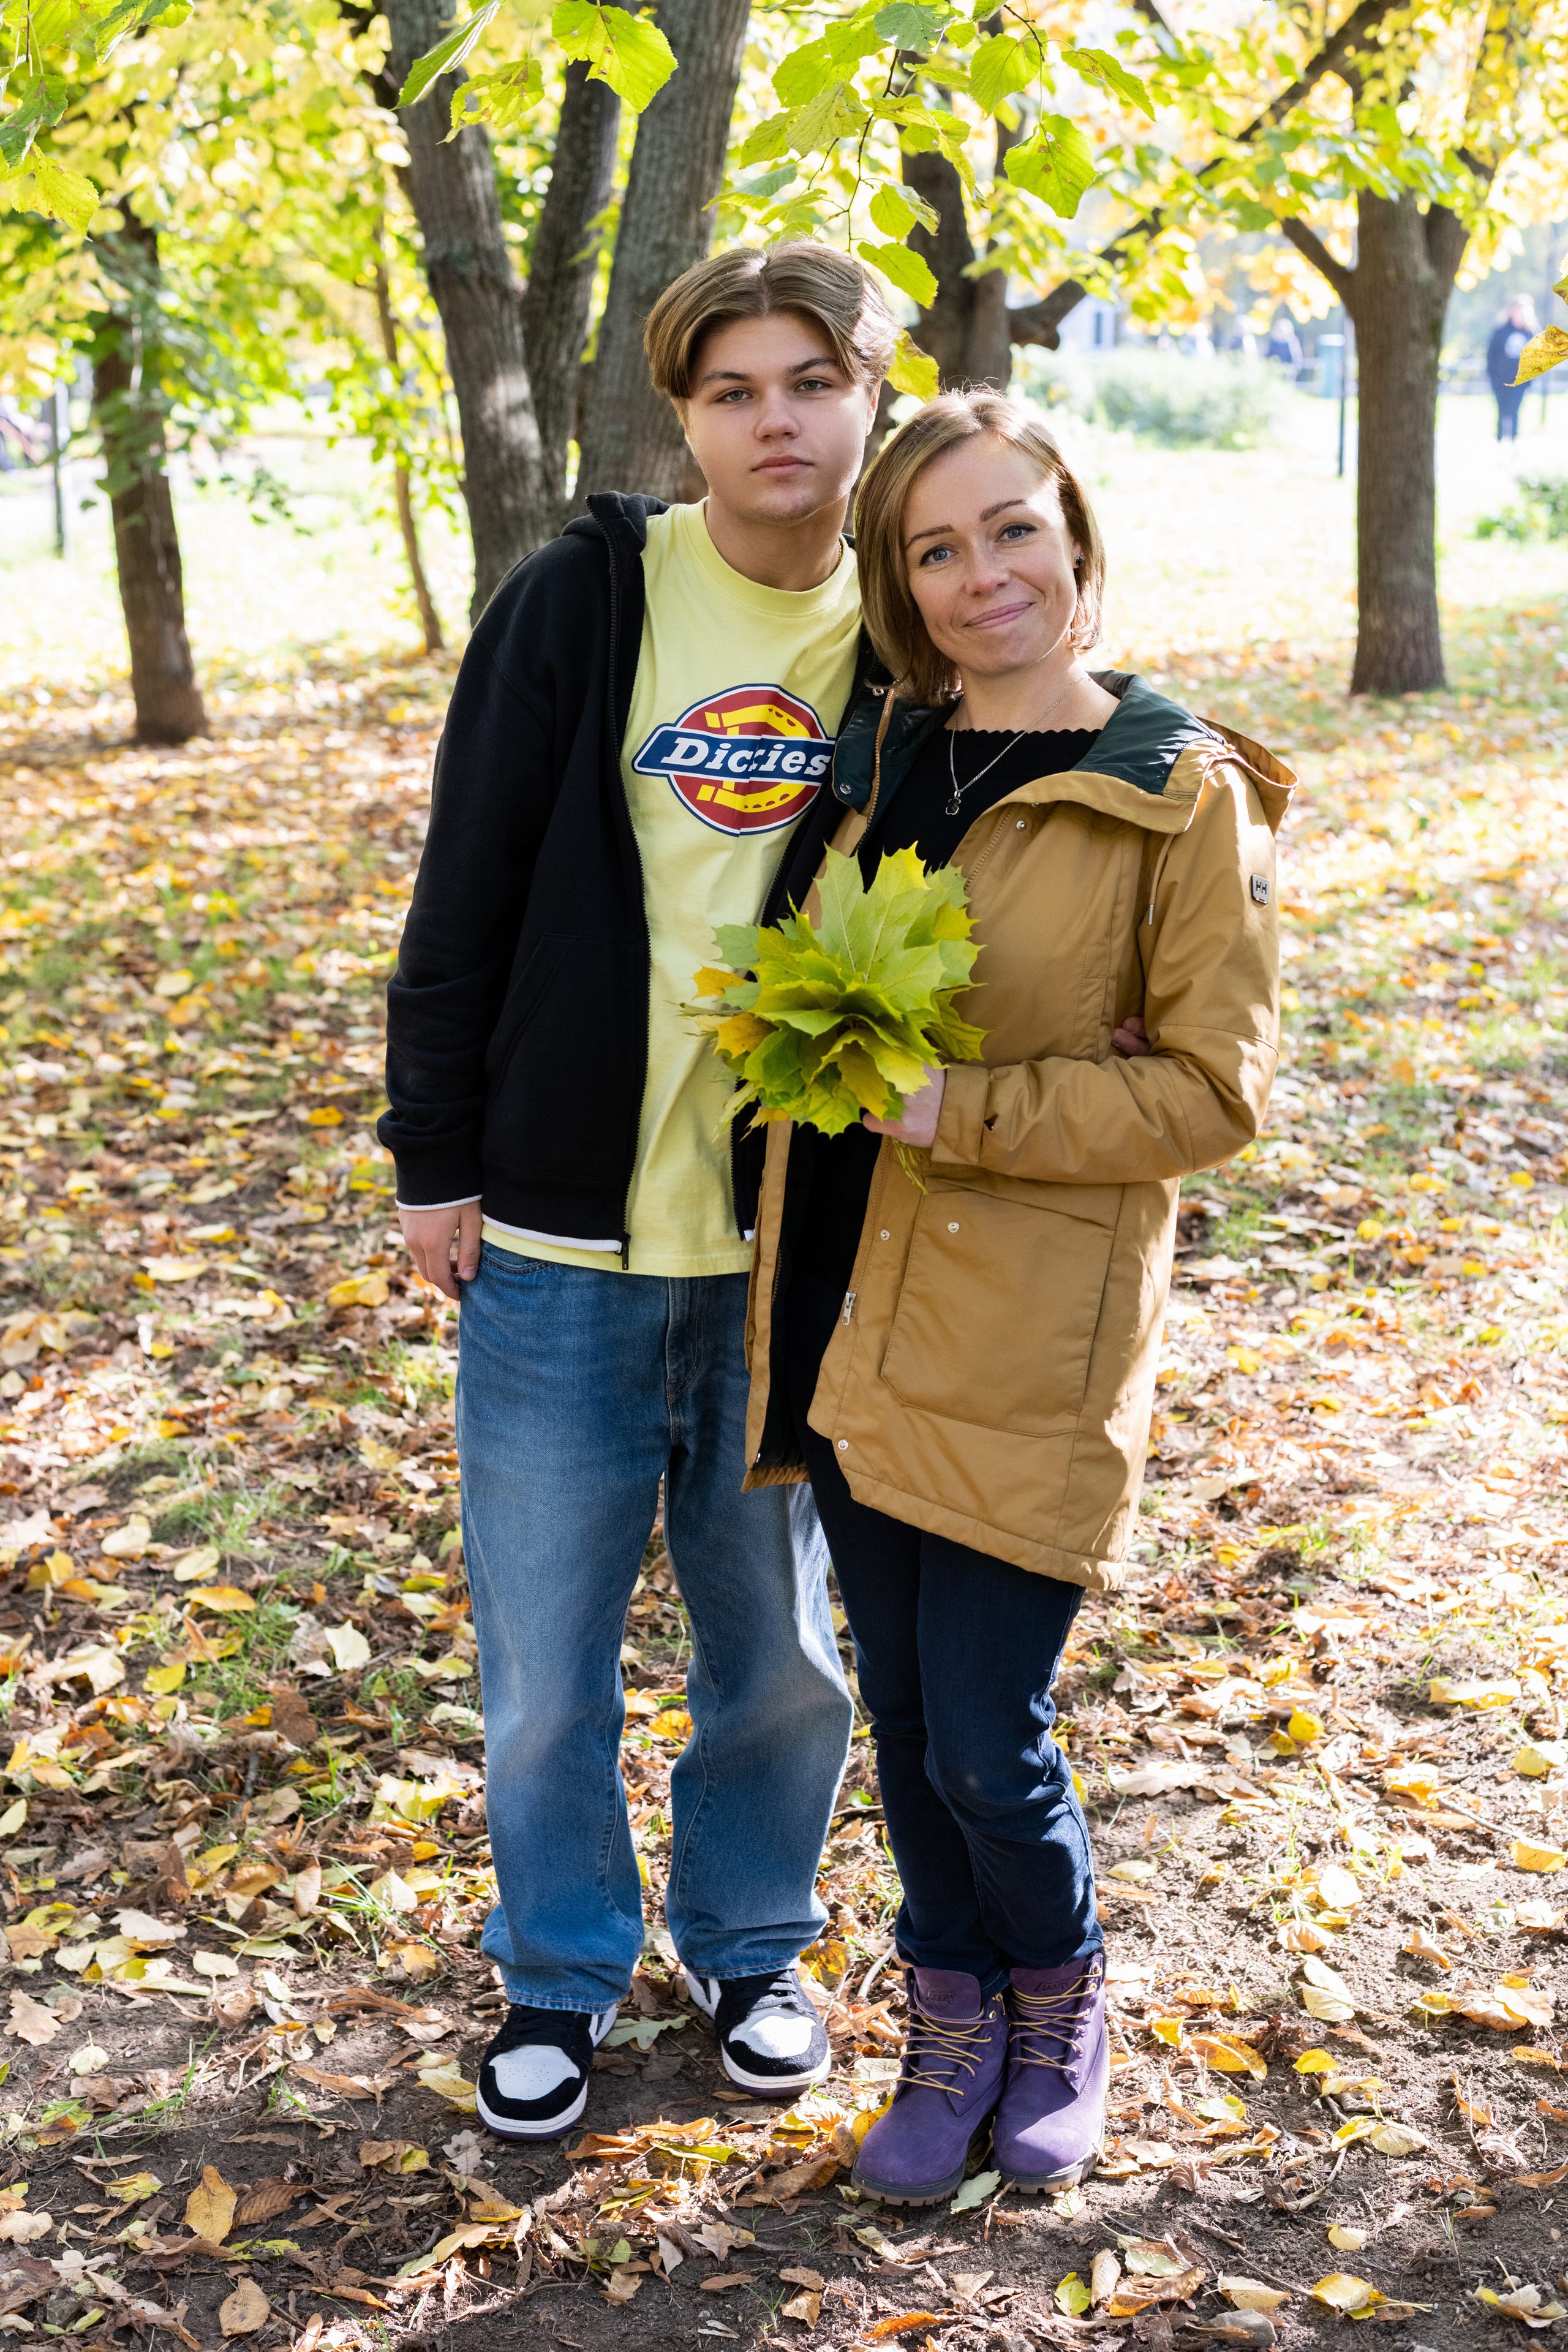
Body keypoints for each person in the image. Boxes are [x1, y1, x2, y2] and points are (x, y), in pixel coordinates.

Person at [740, 391, 1292, 2203]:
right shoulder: (881, 754)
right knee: (899, 1721)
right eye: (937, 546)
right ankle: (949, 2024)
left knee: (987, 1728)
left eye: (1013, 528)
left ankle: (1057, 2014)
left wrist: (954, 1100)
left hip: (1031, 1325)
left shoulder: (1172, 789)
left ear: (1074, 533)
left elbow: (1212, 1090)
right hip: (850, 1299)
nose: (985, 574)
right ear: (903, 582)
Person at [380, 243, 900, 2141]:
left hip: (789, 1253)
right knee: (543, 1655)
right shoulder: (587, 599)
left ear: (867, 395)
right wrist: (434, 1153)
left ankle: (753, 1938)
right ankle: (559, 1969)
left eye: (806, 382)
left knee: (775, 1646)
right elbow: (467, 885)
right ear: (682, 415)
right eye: (731, 390)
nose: (774, 420)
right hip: (561, 1239)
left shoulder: (910, 628)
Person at [1488, 297, 1538, 441]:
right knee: (1502, 411)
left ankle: (1514, 441)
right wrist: (1493, 380)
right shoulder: (1501, 332)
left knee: (1515, 410)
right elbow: (1491, 357)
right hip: (1501, 382)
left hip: (1520, 382)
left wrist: (1530, 380)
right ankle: (1499, 441)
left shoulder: (1531, 333)